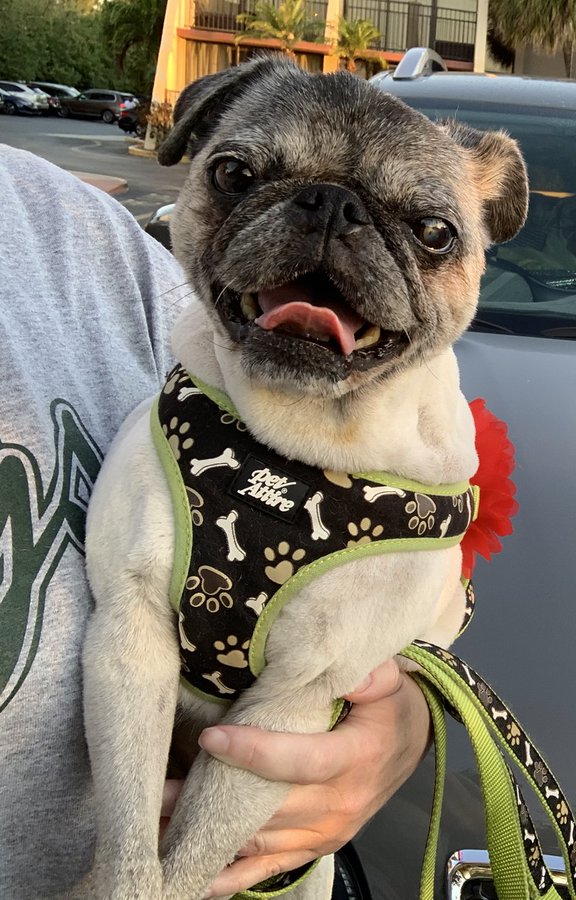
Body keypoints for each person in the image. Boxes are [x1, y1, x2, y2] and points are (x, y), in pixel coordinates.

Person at [0, 144, 432, 898]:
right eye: (242, 180)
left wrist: (403, 701)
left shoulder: (80, 239)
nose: (330, 222)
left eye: (428, 231)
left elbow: (395, 577)